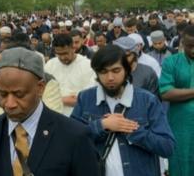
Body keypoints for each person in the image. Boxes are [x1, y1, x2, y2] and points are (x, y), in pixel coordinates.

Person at [0, 47, 100, 176]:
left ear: (40, 88)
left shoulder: (75, 136)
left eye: (19, 94)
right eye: (3, 94)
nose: (9, 104)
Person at [71, 45, 175, 176]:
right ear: (96, 73)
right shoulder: (85, 98)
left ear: (127, 69)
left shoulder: (147, 100)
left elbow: (167, 147)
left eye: (116, 70)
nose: (110, 78)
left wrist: (132, 131)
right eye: (103, 72)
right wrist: (102, 125)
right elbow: (70, 140)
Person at [159, 25, 194, 176]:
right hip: (180, 125)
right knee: (181, 161)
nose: (193, 50)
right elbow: (166, 93)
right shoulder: (171, 62)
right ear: (182, 43)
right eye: (190, 46)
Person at [45, 34, 96, 115]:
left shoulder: (87, 66)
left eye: (65, 53)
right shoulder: (50, 65)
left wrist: (57, 99)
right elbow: (44, 95)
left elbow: (88, 99)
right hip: (53, 115)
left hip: (79, 116)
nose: (62, 57)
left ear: (73, 48)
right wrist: (65, 100)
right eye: (59, 54)